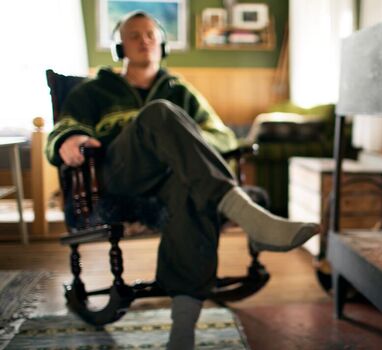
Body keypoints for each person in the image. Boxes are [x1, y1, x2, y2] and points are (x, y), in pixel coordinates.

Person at [46, 11, 319, 349]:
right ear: (120, 47)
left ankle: (183, 330)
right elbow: (63, 128)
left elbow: (222, 137)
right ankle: (250, 217)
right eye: (134, 35)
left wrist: (192, 142)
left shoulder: (182, 91)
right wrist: (68, 140)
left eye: (151, 34)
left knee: (191, 194)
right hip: (120, 176)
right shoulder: (94, 91)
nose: (145, 40)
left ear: (163, 45)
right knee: (159, 113)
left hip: (172, 182)